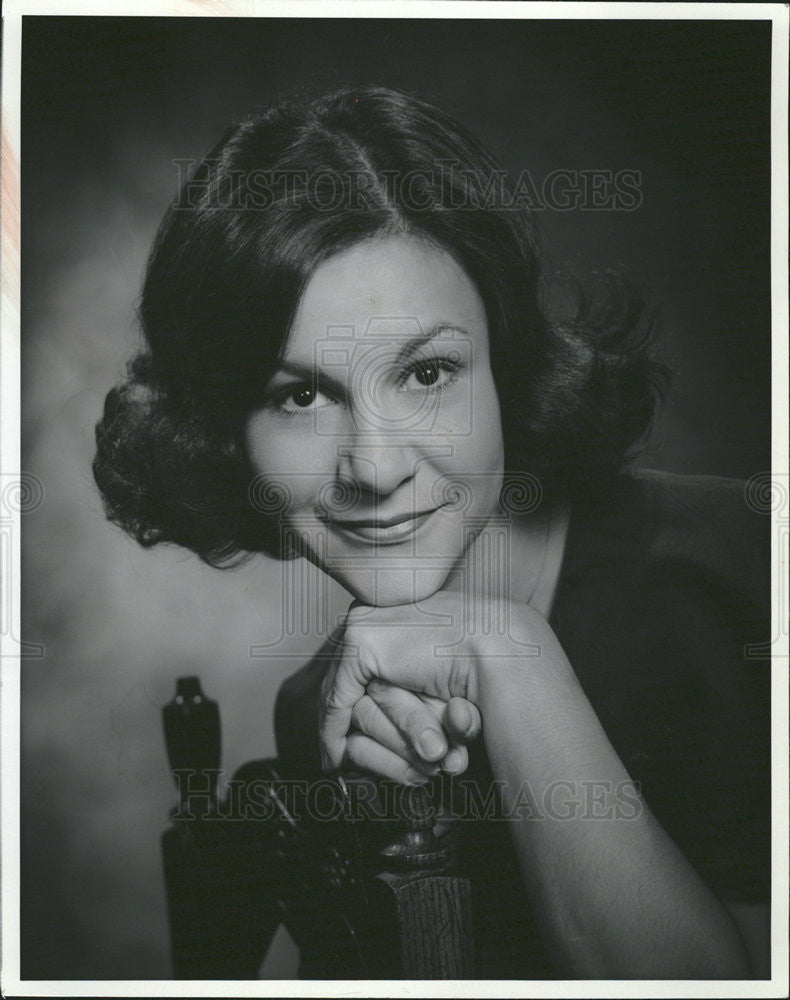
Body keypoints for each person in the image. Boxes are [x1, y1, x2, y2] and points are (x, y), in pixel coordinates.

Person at [93, 86, 770, 979]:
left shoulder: (752, 568)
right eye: (298, 396)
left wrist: (510, 655)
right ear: (227, 434)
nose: (373, 468)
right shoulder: (322, 711)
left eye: (426, 374)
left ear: (508, 362)